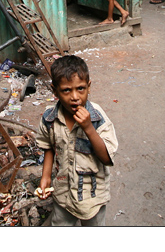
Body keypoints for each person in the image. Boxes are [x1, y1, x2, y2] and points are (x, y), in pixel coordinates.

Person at [36, 55, 118, 226]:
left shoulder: (97, 118)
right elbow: (49, 147)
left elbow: (106, 158)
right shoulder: (50, 118)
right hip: (63, 193)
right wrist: (46, 176)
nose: (75, 96)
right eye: (66, 90)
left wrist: (88, 128)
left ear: (89, 87)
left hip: (92, 196)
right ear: (55, 90)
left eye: (80, 88)